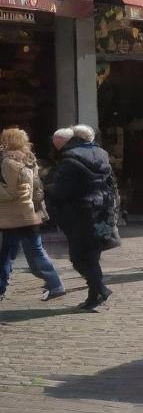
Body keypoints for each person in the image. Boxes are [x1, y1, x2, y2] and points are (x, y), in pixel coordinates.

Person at [45, 124, 116, 311]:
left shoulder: (70, 158)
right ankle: (95, 296)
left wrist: (47, 190)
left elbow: (61, 190)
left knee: (78, 258)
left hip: (80, 212)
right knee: (92, 256)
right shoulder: (102, 154)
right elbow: (111, 183)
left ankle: (100, 289)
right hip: (102, 209)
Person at [0, 128, 65, 302]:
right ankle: (55, 284)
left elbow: (10, 191)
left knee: (6, 254)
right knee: (36, 252)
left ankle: (0, 288)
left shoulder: (8, 161)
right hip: (28, 213)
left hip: (13, 216)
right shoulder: (29, 159)